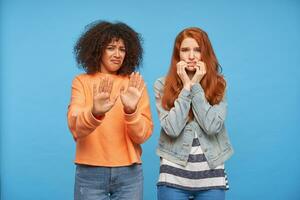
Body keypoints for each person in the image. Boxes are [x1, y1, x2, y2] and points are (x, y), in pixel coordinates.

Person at [67, 20, 153, 200]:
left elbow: (143, 136)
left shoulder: (134, 84)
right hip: (90, 174)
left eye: (122, 49)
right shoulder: (81, 82)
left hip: (129, 175)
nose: (117, 54)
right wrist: (94, 112)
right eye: (111, 48)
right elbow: (76, 128)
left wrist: (131, 111)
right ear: (98, 50)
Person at [154, 27, 234, 200]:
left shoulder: (220, 84)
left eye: (197, 50)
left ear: (205, 53)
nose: (191, 56)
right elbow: (172, 129)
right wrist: (186, 87)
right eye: (185, 50)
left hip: (211, 176)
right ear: (178, 54)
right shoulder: (161, 85)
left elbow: (212, 126)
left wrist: (196, 86)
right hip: (173, 175)